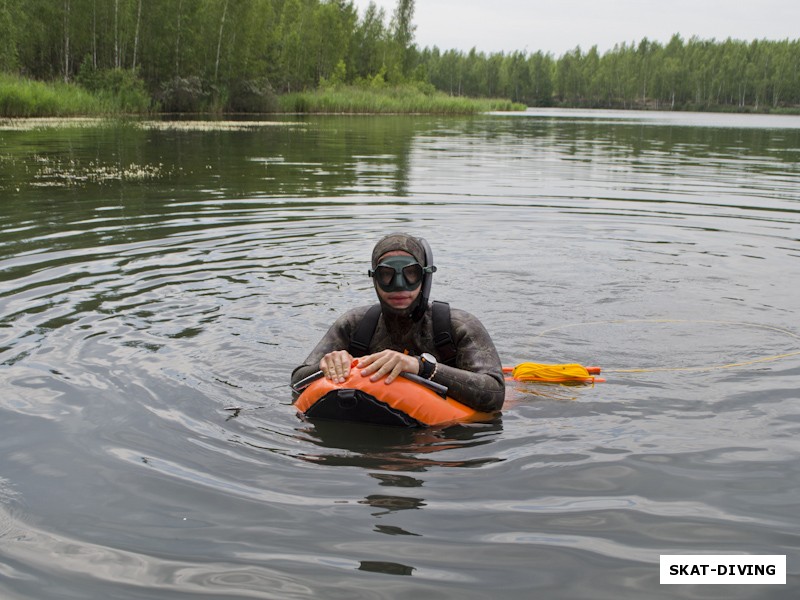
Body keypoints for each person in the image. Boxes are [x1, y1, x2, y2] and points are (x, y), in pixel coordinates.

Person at [291, 233, 505, 413]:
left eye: (411, 273)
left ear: (424, 277)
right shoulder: (355, 325)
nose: (400, 286)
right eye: (387, 275)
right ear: (374, 278)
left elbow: (495, 393)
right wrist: (327, 364)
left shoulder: (457, 325)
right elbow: (297, 380)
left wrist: (421, 367)